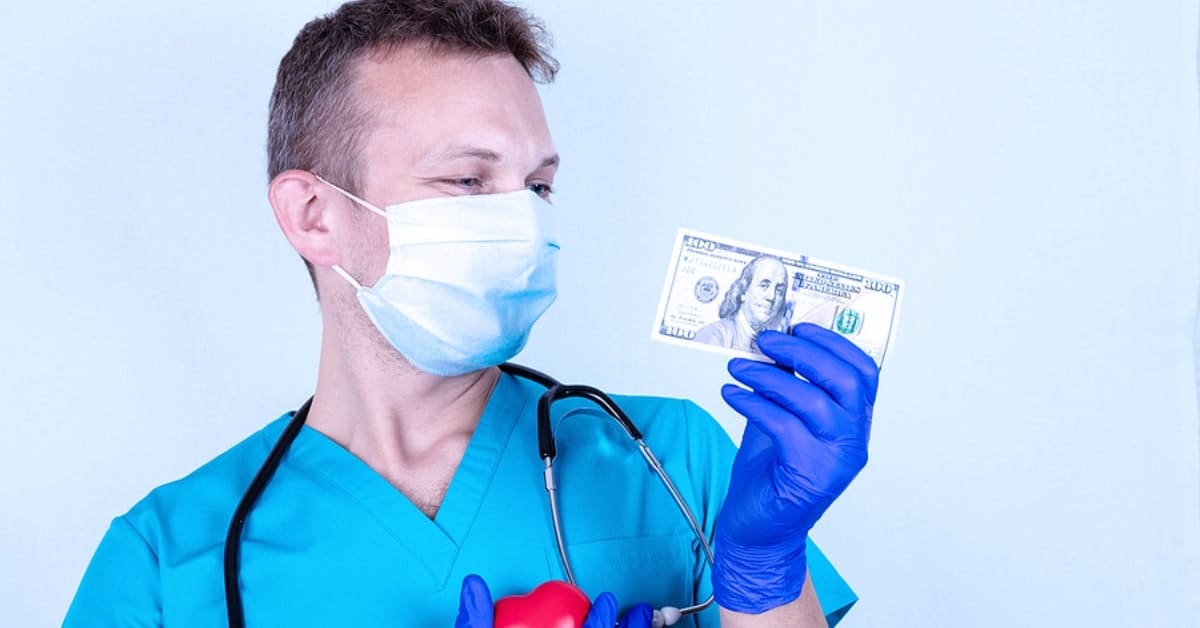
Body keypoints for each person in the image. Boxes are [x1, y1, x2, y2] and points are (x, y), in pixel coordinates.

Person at [64, 1, 880, 626]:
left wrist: (764, 561)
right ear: (315, 216)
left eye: (538, 186)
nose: (523, 223)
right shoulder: (167, 563)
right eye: (467, 181)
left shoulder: (676, 466)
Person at [695, 255, 790, 354]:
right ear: (744, 291)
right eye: (764, 286)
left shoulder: (772, 346)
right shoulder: (714, 336)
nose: (771, 297)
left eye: (779, 290)